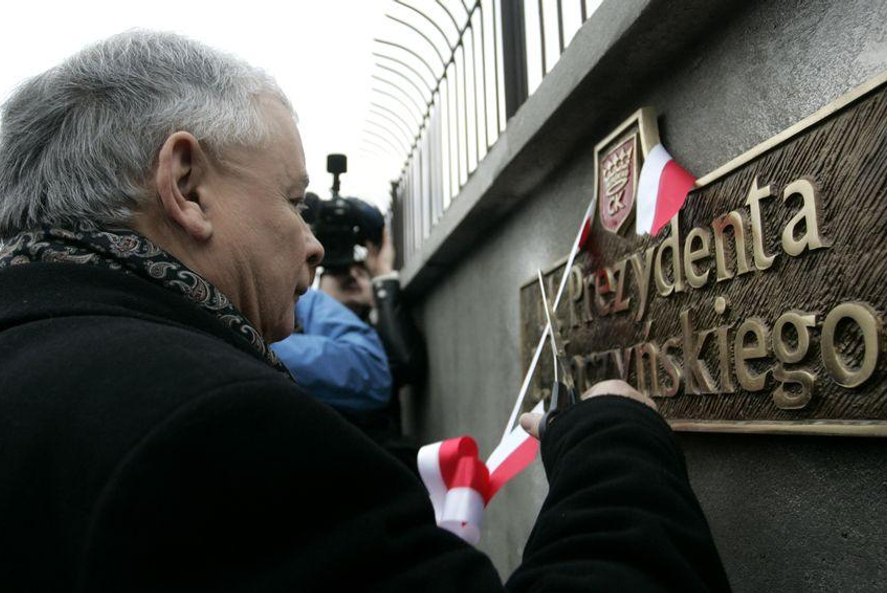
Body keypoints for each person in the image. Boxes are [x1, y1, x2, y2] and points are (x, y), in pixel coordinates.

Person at [0, 30, 730, 591]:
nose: (315, 244)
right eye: (292, 200)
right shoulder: (209, 429)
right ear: (187, 186)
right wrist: (619, 446)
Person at [273, 190, 425, 467]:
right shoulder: (293, 311)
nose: (352, 277)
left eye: (359, 272)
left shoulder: (368, 324)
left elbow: (405, 364)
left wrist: (383, 284)